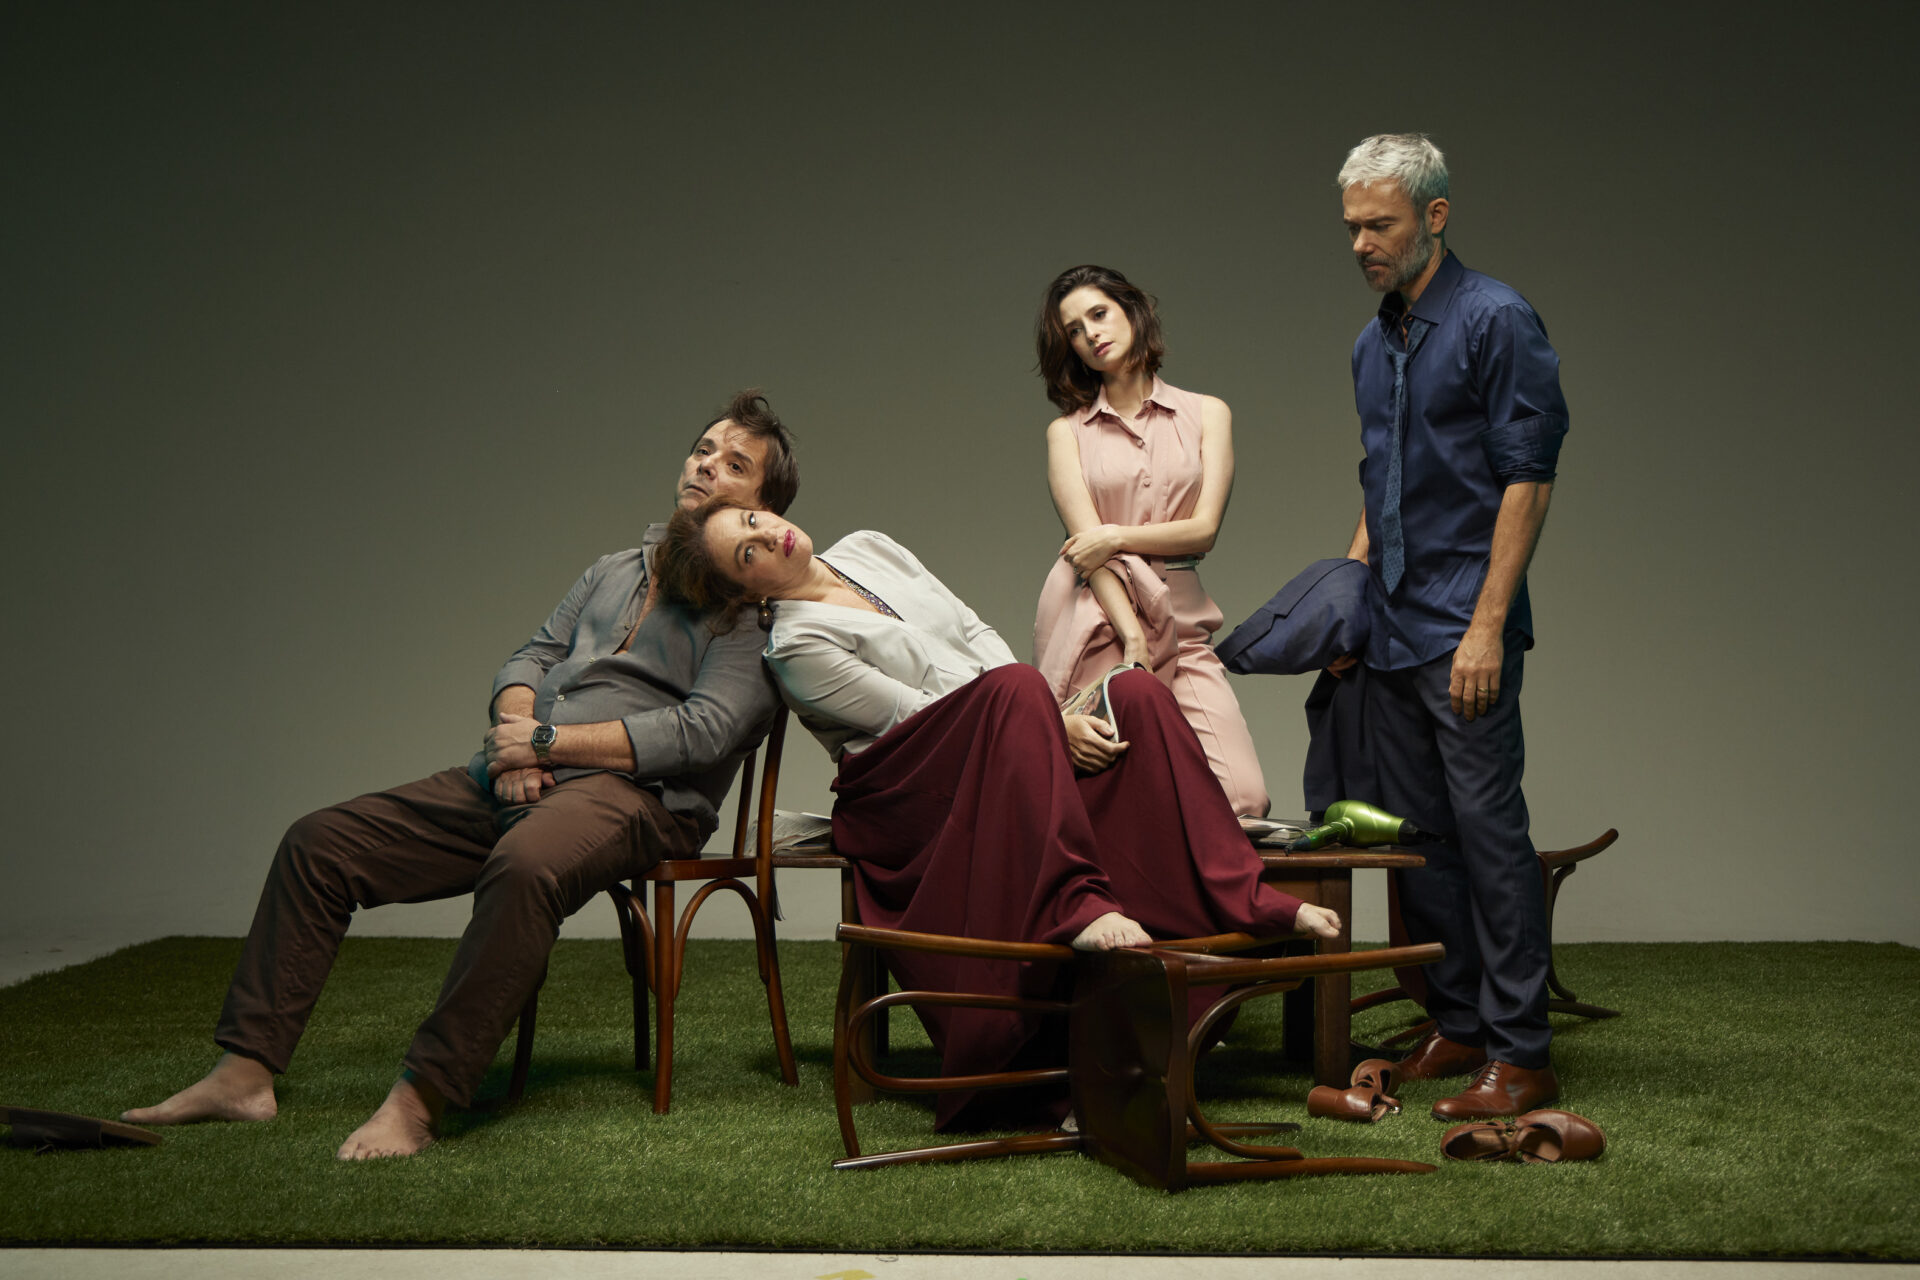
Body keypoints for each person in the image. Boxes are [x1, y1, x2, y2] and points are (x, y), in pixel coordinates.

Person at [122, 391, 799, 1159]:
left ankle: (422, 1098)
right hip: (522, 769)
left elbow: (704, 731)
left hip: (639, 800)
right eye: (703, 449)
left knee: (526, 865)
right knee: (319, 844)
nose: (707, 465)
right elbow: (532, 657)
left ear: (765, 509)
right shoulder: (614, 569)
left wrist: (545, 745)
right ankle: (244, 1074)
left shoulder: (751, 610)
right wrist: (518, 739)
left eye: (734, 463)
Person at [654, 499, 1338, 1130]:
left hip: (1002, 729)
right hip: (912, 791)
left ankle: (1245, 894)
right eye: (747, 554)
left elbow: (970, 627)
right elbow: (914, 715)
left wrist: (1043, 715)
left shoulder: (867, 547)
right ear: (747, 594)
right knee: (1012, 689)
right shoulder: (796, 646)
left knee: (1137, 696)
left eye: (754, 520)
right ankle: (1075, 902)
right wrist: (1041, 721)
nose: (768, 536)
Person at [1330, 134, 1570, 1120]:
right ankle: (1461, 1021)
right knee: (1422, 842)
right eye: (1352, 227)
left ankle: (1522, 1054)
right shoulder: (1371, 343)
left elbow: (1529, 479)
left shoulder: (1496, 318)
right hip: (1390, 629)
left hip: (1463, 627)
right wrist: (1345, 604)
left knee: (1488, 835)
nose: (1362, 243)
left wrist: (1486, 628)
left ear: (1434, 216)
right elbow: (1379, 482)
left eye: (1380, 224)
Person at [1031, 264, 1270, 818]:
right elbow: (1087, 556)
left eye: (1099, 314)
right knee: (1109, 796)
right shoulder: (1066, 434)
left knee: (1243, 798)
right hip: (1098, 618)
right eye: (1074, 330)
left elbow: (1203, 531)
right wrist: (1132, 635)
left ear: (1132, 310)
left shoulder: (1207, 414)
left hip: (1184, 622)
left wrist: (1114, 534)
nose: (1090, 334)